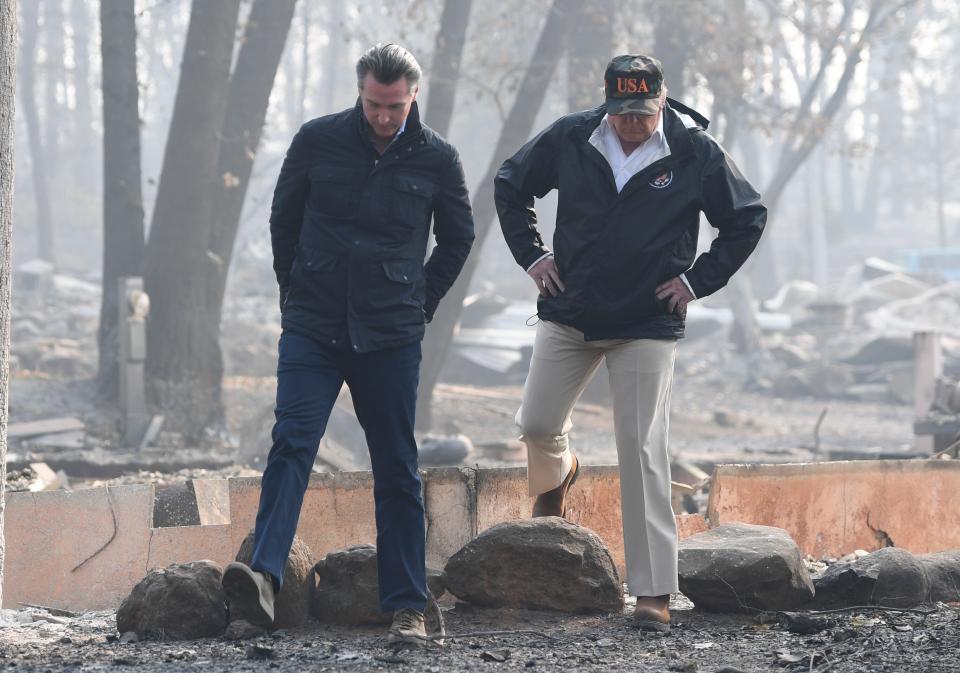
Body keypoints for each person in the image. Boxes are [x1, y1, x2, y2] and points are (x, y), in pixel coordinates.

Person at [494, 54, 766, 631]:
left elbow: (746, 217)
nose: (632, 124)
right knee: (538, 423)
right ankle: (557, 476)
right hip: (570, 308)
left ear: (662, 103)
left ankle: (652, 593)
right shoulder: (572, 137)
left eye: (643, 114)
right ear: (607, 104)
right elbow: (510, 185)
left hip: (647, 320)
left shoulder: (694, 153)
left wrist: (696, 281)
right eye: (622, 114)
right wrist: (533, 255)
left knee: (641, 451)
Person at [222, 43, 475, 645]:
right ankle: (263, 576)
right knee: (291, 444)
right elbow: (283, 221)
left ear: (413, 95)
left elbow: (458, 239)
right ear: (359, 92)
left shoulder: (438, 157)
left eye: (393, 105)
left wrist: (420, 302)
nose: (382, 117)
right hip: (314, 326)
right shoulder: (317, 140)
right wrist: (298, 292)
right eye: (372, 104)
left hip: (390, 333)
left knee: (395, 465)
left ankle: (408, 606)